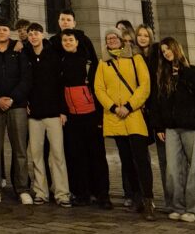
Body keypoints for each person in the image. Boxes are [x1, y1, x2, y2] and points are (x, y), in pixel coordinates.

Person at [94, 27, 155, 221]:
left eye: (114, 37)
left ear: (122, 40)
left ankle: (148, 200)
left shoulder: (135, 58)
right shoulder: (103, 63)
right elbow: (99, 89)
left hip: (134, 115)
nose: (111, 40)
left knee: (141, 160)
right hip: (115, 118)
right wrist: (113, 107)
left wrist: (129, 106)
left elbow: (144, 85)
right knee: (127, 161)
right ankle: (136, 197)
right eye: (108, 38)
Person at [153, 37, 195, 222]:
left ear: (176, 49)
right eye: (163, 51)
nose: (166, 53)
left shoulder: (191, 71)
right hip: (172, 128)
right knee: (173, 169)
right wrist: (159, 125)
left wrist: (185, 72)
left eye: (168, 49)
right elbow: (159, 102)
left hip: (191, 126)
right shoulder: (163, 76)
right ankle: (178, 206)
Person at [60, 29, 111, 208]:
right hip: (72, 117)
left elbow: (98, 89)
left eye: (70, 40)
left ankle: (102, 194)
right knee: (76, 156)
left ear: (77, 42)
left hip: (91, 115)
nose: (67, 43)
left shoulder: (89, 63)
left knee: (97, 156)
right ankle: (82, 193)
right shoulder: (61, 62)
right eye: (65, 40)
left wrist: (100, 117)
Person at [0, 17, 33, 205]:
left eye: (5, 29)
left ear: (9, 32)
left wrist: (13, 98)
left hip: (17, 105)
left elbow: (26, 78)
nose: (1, 33)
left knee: (20, 149)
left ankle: (22, 188)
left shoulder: (19, 50)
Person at [25, 23, 71, 208]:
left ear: (42, 35)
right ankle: (40, 191)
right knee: (36, 155)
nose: (33, 37)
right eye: (30, 34)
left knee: (57, 155)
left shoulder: (53, 55)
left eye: (36, 33)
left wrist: (63, 110)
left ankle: (62, 192)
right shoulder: (26, 55)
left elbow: (60, 84)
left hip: (53, 113)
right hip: (34, 114)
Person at [135, 23, 168, 206]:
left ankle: (170, 197)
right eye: (139, 35)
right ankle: (147, 196)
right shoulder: (134, 56)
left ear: (150, 37)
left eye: (145, 35)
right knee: (142, 157)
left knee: (165, 157)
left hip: (158, 109)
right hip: (141, 111)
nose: (142, 38)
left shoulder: (158, 54)